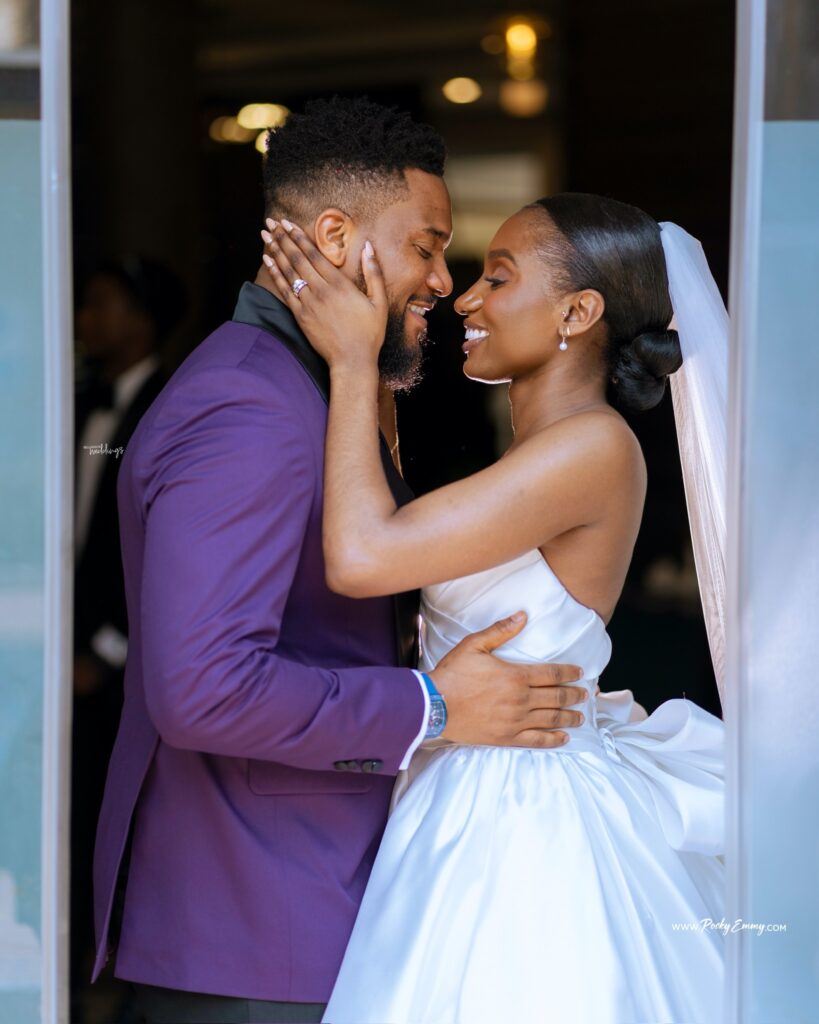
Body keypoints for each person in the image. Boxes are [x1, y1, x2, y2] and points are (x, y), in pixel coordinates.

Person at [91, 98, 587, 1024]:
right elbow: (201, 688)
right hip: (250, 926)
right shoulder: (250, 408)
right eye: (427, 246)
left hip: (302, 898)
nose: (444, 279)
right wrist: (434, 706)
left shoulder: (306, 386)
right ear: (333, 234)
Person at [261, 192, 727, 1024]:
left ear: (578, 311)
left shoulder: (592, 446)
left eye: (497, 278)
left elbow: (364, 554)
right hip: (465, 772)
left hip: (520, 809)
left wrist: (351, 361)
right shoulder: (540, 452)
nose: (466, 299)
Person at [72, 256, 183, 1019]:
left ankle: (105, 965)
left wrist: (105, 652)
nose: (84, 317)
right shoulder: (78, 401)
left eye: (102, 305)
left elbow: (159, 558)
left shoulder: (169, 408)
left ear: (143, 320)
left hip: (126, 662)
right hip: (60, 647)